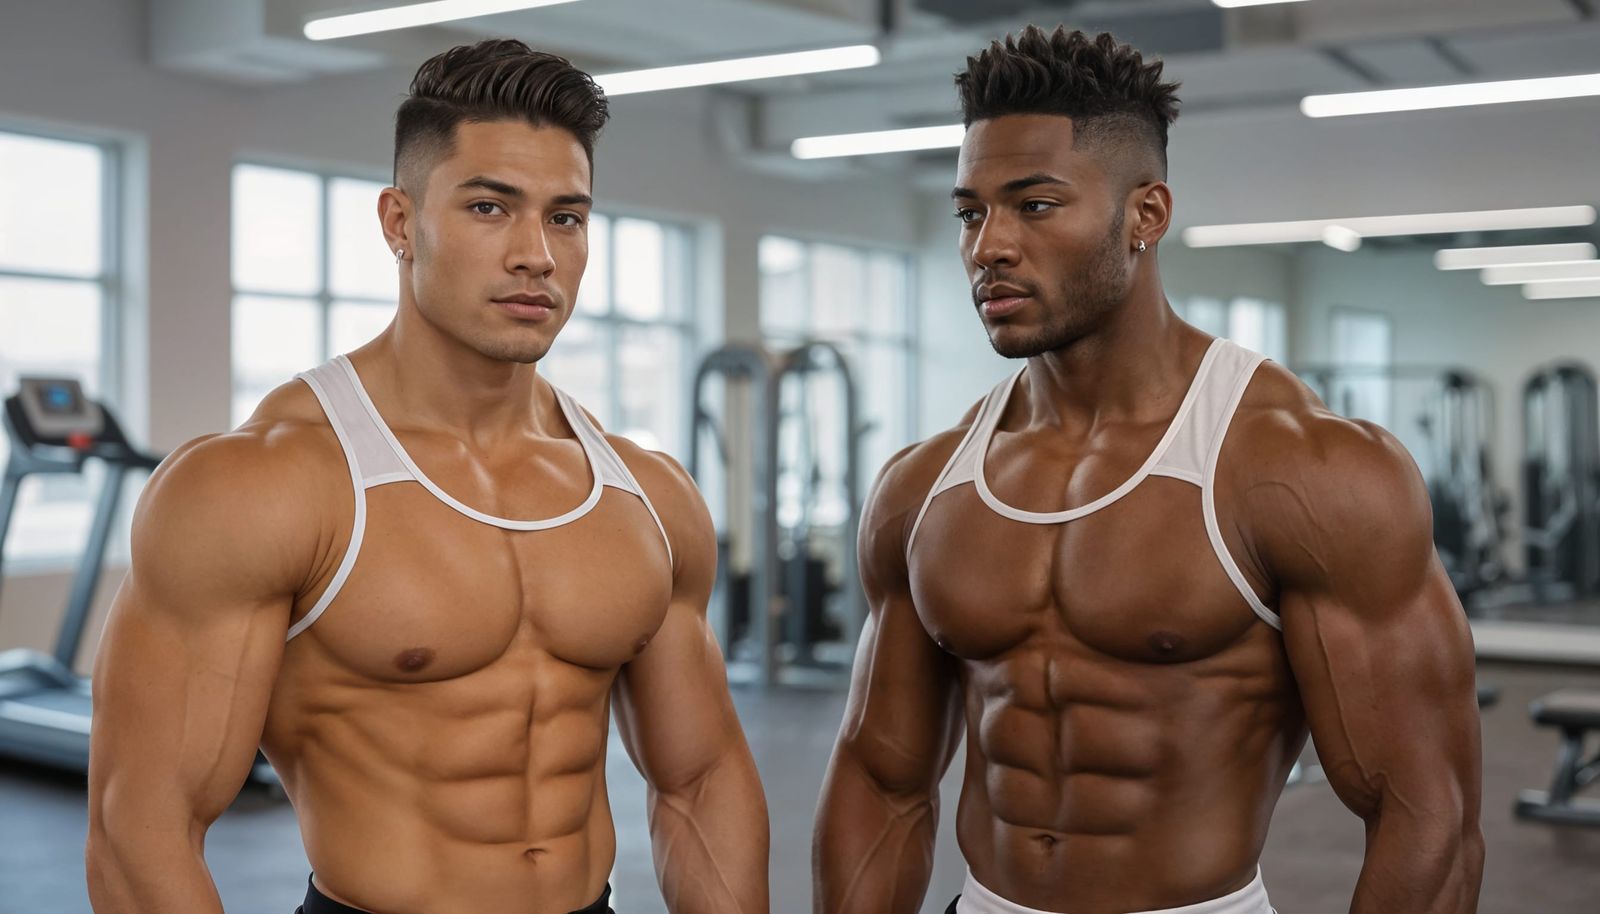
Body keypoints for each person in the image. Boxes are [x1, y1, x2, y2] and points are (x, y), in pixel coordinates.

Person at [86, 39, 769, 914]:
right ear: (401, 224)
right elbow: (140, 829)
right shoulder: (266, 485)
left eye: (566, 217)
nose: (538, 255)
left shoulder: (646, 495)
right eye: (490, 207)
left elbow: (701, 778)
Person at [813, 25, 1482, 914]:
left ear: (1147, 214)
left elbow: (1428, 811)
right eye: (971, 212)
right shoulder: (922, 490)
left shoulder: (1301, 469)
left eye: (1035, 205)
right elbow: (881, 778)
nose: (988, 247)